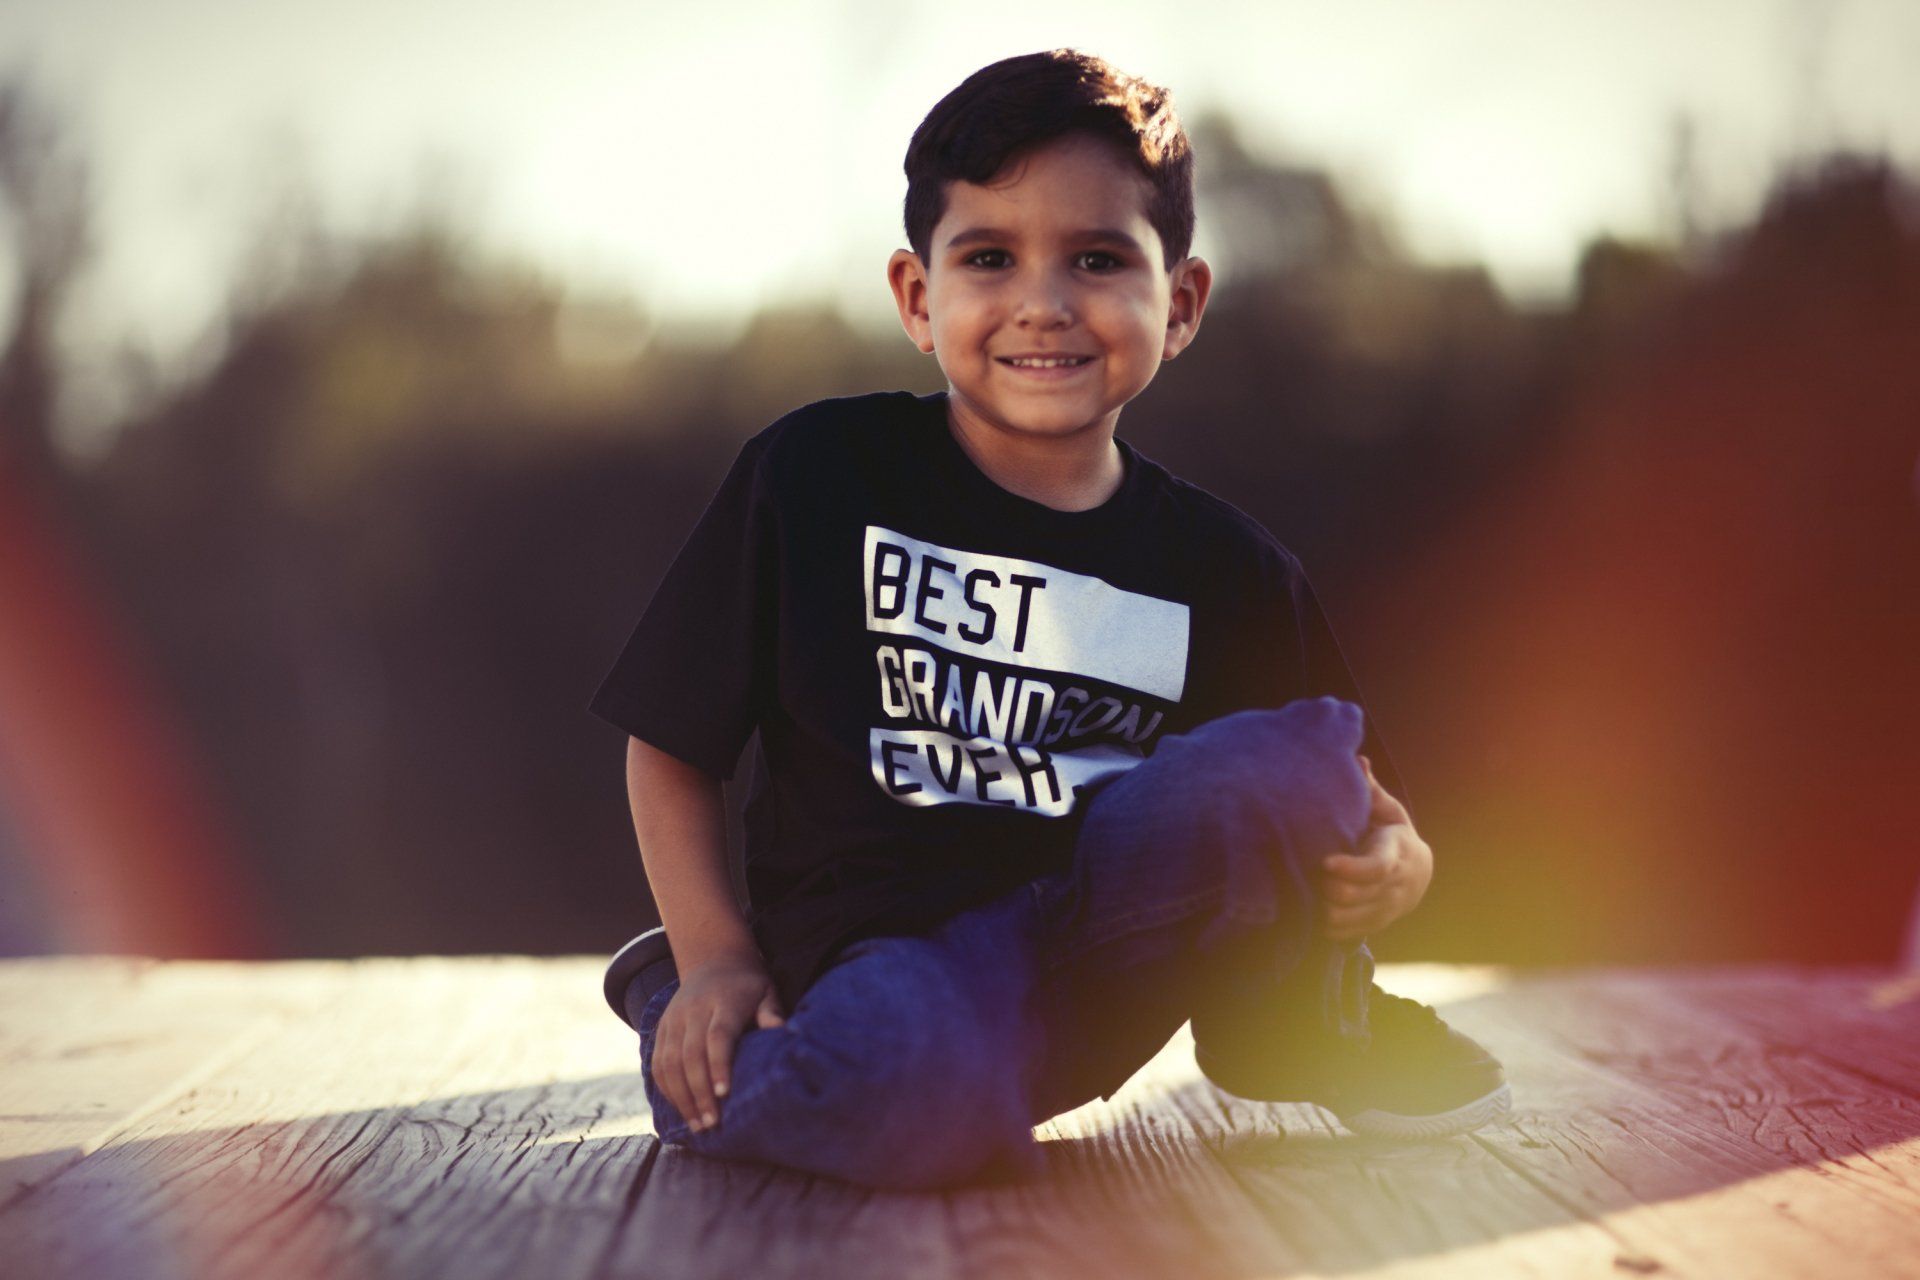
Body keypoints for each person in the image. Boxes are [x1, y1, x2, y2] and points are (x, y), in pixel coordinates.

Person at [588, 48, 1510, 1191]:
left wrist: (1399, 861)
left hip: (1111, 954)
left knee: (1296, 749)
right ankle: (683, 1012)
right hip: (888, 967)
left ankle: (1297, 1025)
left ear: (1177, 304)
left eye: (1097, 258)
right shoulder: (818, 475)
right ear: (919, 298)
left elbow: (1354, 796)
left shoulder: (1227, 565)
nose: (1043, 300)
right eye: (989, 256)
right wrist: (716, 956)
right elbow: (671, 743)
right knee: (909, 1085)